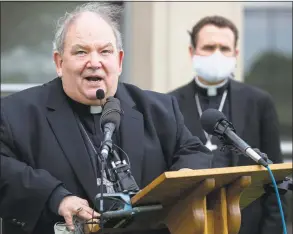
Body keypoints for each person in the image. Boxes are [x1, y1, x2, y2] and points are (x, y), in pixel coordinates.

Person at [0, 3, 213, 234]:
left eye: (105, 51)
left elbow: (193, 152)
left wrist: (182, 178)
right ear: (59, 63)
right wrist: (55, 197)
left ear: (119, 61)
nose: (94, 62)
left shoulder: (159, 109)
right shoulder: (17, 113)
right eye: (81, 52)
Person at [168, 15, 287, 234]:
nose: (217, 54)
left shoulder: (259, 102)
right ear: (191, 52)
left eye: (224, 48)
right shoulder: (168, 103)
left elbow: (275, 177)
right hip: (190, 225)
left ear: (236, 54)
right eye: (209, 47)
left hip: (248, 226)